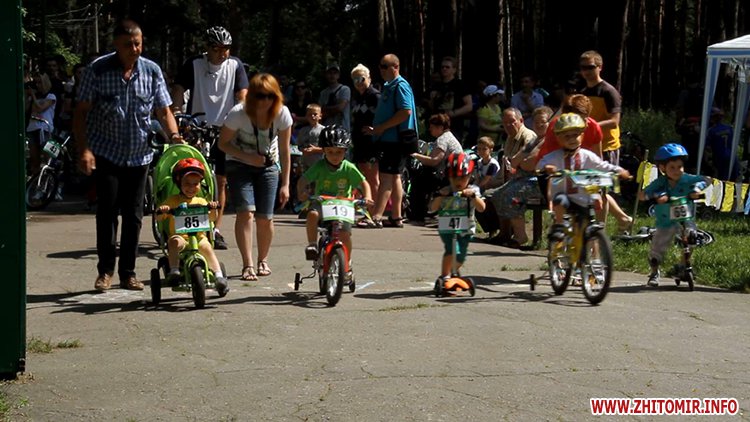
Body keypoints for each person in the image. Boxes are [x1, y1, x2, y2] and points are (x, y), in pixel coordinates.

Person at [74, 19, 182, 291]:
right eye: (128, 45)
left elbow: (164, 110)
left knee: (134, 215)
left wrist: (174, 136)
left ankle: (128, 273)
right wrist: (84, 149)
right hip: (106, 152)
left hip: (139, 154)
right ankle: (105, 271)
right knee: (107, 212)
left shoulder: (151, 71)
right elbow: (81, 112)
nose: (134, 49)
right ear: (116, 45)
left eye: (138, 44)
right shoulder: (97, 70)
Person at [171, 26, 249, 250]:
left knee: (220, 181)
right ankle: (183, 221)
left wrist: (242, 116)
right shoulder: (194, 64)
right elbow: (179, 89)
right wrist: (177, 112)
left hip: (225, 128)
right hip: (196, 125)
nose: (222, 53)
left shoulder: (235, 65)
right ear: (208, 48)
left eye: (226, 48)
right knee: (190, 174)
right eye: (217, 49)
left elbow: (242, 95)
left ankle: (215, 228)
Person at [218, 73, 292, 281]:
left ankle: (263, 260)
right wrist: (248, 157)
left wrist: (286, 184)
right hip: (239, 164)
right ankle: (248, 264)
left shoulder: (282, 114)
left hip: (268, 166)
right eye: (260, 96)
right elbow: (223, 144)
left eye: (270, 96)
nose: (265, 101)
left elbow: (285, 151)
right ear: (252, 96)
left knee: (265, 217)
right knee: (245, 213)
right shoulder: (238, 113)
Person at [296, 126, 373, 276]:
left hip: (344, 204)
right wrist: (302, 192)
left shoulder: (349, 167)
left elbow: (364, 183)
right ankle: (312, 245)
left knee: (345, 234)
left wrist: (367, 197)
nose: (334, 156)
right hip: (322, 202)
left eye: (338, 152)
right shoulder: (319, 166)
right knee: (312, 214)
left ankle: (347, 264)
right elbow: (303, 180)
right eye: (330, 152)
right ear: (323, 151)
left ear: (345, 151)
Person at [537, 114, 629, 237]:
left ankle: (595, 241)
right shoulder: (554, 157)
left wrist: (618, 170)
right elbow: (540, 165)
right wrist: (546, 168)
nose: (571, 139)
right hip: (564, 196)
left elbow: (602, 165)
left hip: (583, 199)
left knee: (596, 203)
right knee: (560, 201)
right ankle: (559, 226)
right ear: (558, 138)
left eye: (575, 135)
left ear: (582, 135)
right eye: (566, 136)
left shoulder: (587, 155)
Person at [639, 143, 708, 286]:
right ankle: (654, 272)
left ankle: (683, 266)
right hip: (666, 220)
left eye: (680, 167)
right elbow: (643, 194)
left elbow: (706, 179)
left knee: (691, 237)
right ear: (662, 168)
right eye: (672, 167)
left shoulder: (687, 179)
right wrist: (656, 195)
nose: (677, 171)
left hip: (685, 218)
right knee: (658, 249)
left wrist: (697, 189)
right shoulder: (660, 183)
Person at [157, 158, 228, 296]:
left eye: (195, 184)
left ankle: (219, 276)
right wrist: (163, 210)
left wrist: (213, 208)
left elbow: (212, 219)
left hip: (198, 237)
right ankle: (174, 270)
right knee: (174, 242)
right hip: (180, 236)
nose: (191, 188)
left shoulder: (201, 201)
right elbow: (159, 218)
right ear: (179, 183)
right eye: (187, 184)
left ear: (200, 185)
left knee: (207, 247)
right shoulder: (173, 200)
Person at [365, 54, 418, 229]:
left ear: (395, 67)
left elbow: (405, 111)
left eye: (384, 66)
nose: (381, 70)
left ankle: (376, 216)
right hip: (389, 140)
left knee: (386, 177)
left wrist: (381, 127)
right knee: (395, 176)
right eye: (380, 66)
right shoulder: (390, 85)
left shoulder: (400, 85)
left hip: (395, 140)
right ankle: (396, 216)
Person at [429, 152, 486, 284]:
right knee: (452, 249)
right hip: (448, 228)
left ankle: (453, 271)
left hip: (466, 229)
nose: (458, 181)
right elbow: (432, 208)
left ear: (470, 176)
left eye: (462, 178)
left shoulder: (473, 190)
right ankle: (445, 276)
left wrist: (473, 196)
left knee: (461, 255)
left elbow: (482, 208)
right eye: (454, 178)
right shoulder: (445, 190)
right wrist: (440, 196)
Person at [408, 113, 463, 223]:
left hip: (449, 176)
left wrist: (416, 155)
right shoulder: (449, 137)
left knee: (419, 179)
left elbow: (434, 161)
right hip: (454, 173)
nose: (430, 129)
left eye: (432, 127)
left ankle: (417, 214)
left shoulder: (442, 139)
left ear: (440, 127)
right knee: (424, 174)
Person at [349, 63, 381, 225]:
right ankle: (368, 210)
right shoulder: (357, 97)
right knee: (363, 177)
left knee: (372, 178)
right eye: (355, 80)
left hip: (371, 143)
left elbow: (384, 116)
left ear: (368, 78)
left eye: (361, 79)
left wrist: (376, 130)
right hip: (359, 142)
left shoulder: (375, 96)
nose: (358, 83)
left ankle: (375, 213)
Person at [579, 51, 623, 166]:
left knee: (606, 178)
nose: (586, 71)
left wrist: (590, 125)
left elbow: (614, 122)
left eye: (590, 67)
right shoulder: (583, 92)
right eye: (583, 68)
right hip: (588, 147)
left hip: (607, 147)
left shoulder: (609, 91)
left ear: (600, 67)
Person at [429, 56, 473, 144]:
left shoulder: (460, 85)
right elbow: (431, 106)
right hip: (437, 124)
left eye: (447, 67)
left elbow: (469, 106)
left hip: (454, 125)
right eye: (442, 67)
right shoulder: (437, 85)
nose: (444, 69)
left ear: (454, 69)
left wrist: (453, 113)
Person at [25, 72, 57, 174]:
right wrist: (27, 96)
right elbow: (25, 109)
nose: (37, 85)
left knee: (48, 159)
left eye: (40, 82)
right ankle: (35, 179)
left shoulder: (51, 96)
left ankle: (50, 178)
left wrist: (33, 96)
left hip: (45, 129)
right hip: (32, 128)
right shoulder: (33, 97)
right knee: (34, 158)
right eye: (36, 83)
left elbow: (40, 109)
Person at [705, 107, 739, 181]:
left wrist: (709, 161)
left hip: (720, 159)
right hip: (732, 157)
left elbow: (708, 148)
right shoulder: (729, 128)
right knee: (734, 180)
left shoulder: (711, 131)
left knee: (722, 181)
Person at [318, 63, 351, 130]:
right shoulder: (323, 93)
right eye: (330, 73)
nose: (332, 75)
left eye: (335, 73)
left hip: (342, 129)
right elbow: (319, 111)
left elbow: (340, 108)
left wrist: (326, 109)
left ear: (338, 75)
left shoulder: (344, 89)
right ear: (326, 75)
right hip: (326, 129)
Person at [296, 103, 325, 171]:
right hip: (305, 163)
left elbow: (328, 148)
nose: (312, 116)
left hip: (319, 163)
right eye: (309, 114)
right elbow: (299, 146)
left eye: (315, 114)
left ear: (320, 116)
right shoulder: (303, 130)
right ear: (306, 116)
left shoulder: (323, 130)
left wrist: (315, 149)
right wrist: (303, 149)